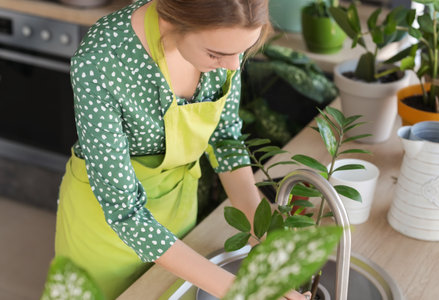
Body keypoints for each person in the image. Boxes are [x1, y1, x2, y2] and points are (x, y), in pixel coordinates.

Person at [43, 0, 312, 299]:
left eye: (242, 52)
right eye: (216, 54)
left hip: (178, 215)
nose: (234, 66)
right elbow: (123, 212)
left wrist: (261, 230)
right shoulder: (102, 60)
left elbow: (225, 139)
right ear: (172, 23)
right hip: (105, 234)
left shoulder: (226, 43)